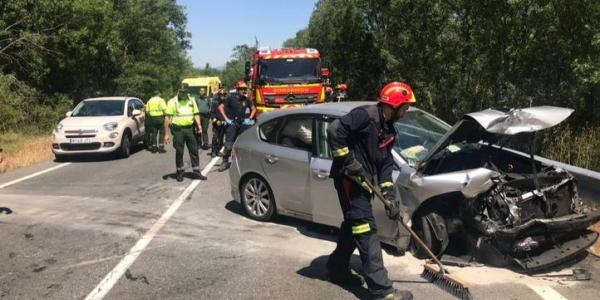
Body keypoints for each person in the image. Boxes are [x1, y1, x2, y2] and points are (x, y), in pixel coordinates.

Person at [326, 82, 416, 300]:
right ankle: (382, 290)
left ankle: (337, 268)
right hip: (349, 180)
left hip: (364, 182)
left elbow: (385, 167)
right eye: (405, 107)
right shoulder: (365, 116)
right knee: (366, 228)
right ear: (394, 105)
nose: (406, 112)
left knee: (353, 224)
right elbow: (334, 131)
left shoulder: (389, 132)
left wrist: (390, 197)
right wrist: (349, 161)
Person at [163, 84, 207, 182]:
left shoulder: (191, 100)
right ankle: (180, 172)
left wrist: (199, 126)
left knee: (194, 150)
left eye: (185, 92)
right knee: (179, 151)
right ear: (178, 90)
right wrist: (166, 134)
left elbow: (196, 114)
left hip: (190, 129)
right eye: (181, 92)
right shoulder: (172, 102)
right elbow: (167, 118)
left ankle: (196, 172)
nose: (183, 94)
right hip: (178, 130)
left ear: (188, 92)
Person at [217, 80, 256, 172]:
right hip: (232, 124)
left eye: (244, 89)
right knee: (229, 144)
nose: (243, 91)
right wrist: (226, 119)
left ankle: (241, 162)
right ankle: (225, 162)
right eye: (241, 89)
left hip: (243, 124)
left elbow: (253, 109)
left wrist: (249, 118)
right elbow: (220, 107)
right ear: (237, 89)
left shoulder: (247, 99)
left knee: (242, 144)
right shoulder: (231, 98)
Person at [210, 88, 227, 158]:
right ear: (218, 95)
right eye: (221, 94)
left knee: (221, 138)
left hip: (223, 124)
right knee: (215, 138)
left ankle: (218, 151)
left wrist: (226, 121)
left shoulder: (226, 103)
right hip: (216, 124)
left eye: (223, 94)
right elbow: (211, 113)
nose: (222, 96)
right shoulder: (214, 102)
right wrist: (216, 121)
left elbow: (228, 113)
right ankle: (213, 152)